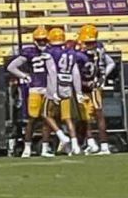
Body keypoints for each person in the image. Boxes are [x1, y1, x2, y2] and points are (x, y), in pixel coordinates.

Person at [7, 26, 71, 158]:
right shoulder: (29, 52)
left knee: (47, 120)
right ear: (35, 40)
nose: (42, 42)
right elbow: (11, 67)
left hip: (48, 88)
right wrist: (24, 76)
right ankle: (27, 147)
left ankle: (45, 148)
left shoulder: (51, 51)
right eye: (39, 40)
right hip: (35, 88)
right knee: (32, 120)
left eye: (44, 40)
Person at [76, 24, 115, 155]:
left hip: (87, 87)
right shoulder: (99, 48)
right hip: (94, 85)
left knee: (93, 116)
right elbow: (111, 63)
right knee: (89, 116)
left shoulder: (81, 52)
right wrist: (102, 77)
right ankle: (93, 143)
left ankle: (100, 145)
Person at [47, 27, 82, 155]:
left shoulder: (50, 52)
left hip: (55, 86)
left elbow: (52, 72)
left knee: (47, 115)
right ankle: (75, 146)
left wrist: (54, 91)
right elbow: (76, 73)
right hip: (68, 86)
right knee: (67, 118)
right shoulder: (71, 53)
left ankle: (62, 137)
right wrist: (78, 92)